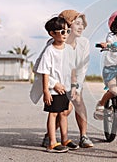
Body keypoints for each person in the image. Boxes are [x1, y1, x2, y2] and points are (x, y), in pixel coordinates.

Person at [39, 10, 93, 148]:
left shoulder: (83, 43)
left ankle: (83, 136)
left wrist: (76, 87)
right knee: (60, 111)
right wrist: (52, 85)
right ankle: (50, 137)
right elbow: (42, 70)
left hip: (70, 82)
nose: (81, 27)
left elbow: (80, 68)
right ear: (67, 24)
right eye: (77, 23)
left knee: (77, 102)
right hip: (55, 84)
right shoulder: (51, 45)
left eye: (83, 24)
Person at [36, 16, 79, 153]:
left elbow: (72, 69)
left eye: (67, 31)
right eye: (62, 31)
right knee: (53, 114)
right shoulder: (49, 50)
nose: (65, 34)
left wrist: (73, 86)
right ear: (52, 33)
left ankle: (65, 139)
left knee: (64, 113)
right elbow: (44, 71)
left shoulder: (69, 49)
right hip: (53, 89)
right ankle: (52, 143)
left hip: (65, 88)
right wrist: (46, 90)